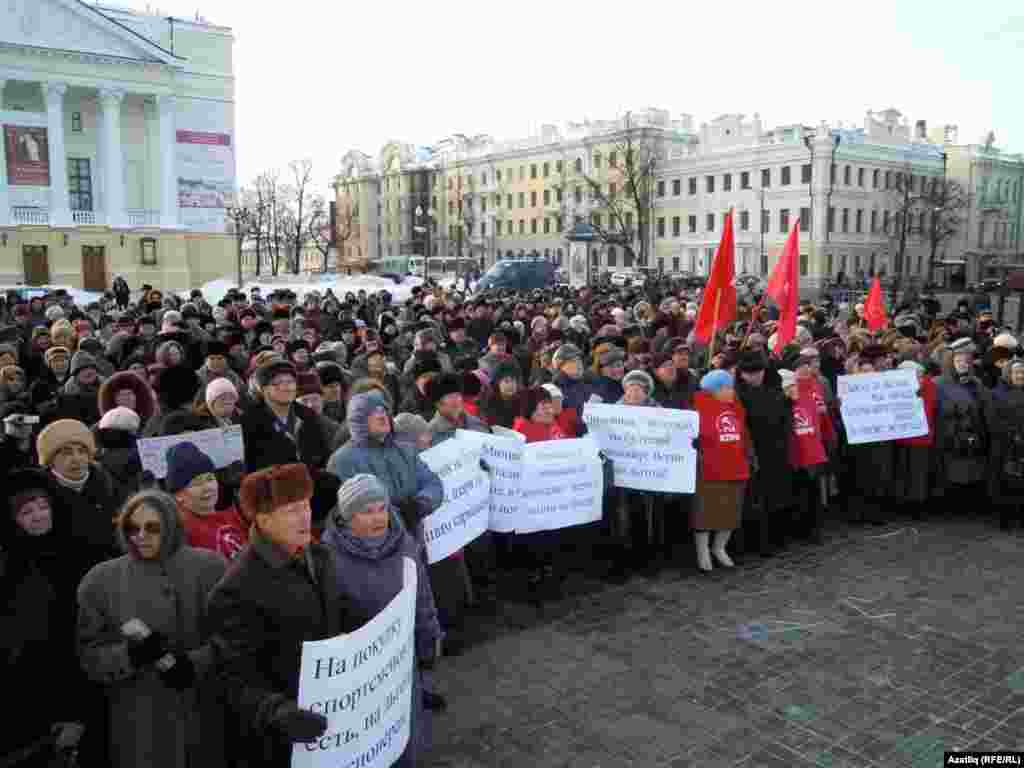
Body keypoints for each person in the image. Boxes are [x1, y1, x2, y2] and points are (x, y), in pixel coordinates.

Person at [207, 464, 366, 767]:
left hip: (337, 713)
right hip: (285, 741)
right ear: (263, 519)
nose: (305, 515)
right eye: (292, 510)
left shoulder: (320, 556)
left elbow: (340, 611)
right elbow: (234, 678)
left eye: (305, 504)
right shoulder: (238, 589)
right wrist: (278, 712)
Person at [76, 490, 228, 768]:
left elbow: (233, 636)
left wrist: (194, 663)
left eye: (153, 528)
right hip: (141, 722)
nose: (141, 536)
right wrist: (130, 655)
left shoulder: (211, 567)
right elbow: (89, 655)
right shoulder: (101, 581)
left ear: (171, 526)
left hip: (203, 713)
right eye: (132, 528)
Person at [322, 475, 443, 766]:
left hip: (402, 663)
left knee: (404, 735)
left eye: (382, 509)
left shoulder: (405, 546)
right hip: (360, 675)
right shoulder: (327, 559)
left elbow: (422, 597)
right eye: (367, 511)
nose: (378, 518)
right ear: (347, 516)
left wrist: (430, 641)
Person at [2, 470, 92, 767]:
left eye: (43, 507)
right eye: (27, 512)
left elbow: (78, 638)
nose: (38, 516)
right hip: (23, 705)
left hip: (74, 692)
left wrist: (75, 711)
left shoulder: (76, 554)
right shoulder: (10, 567)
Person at [693, 370, 751, 572]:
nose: (731, 391)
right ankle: (702, 551)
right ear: (714, 390)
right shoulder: (698, 407)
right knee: (706, 512)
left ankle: (719, 547)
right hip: (709, 468)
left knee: (730, 510)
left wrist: (749, 455)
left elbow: (743, 433)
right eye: (726, 387)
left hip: (735, 465)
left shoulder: (736, 407)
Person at [166, 441, 248, 560]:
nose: (207, 487)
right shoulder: (180, 534)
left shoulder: (234, 515)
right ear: (178, 495)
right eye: (197, 483)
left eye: (209, 479)